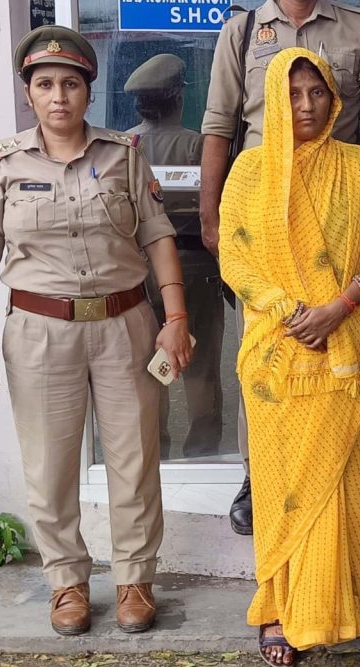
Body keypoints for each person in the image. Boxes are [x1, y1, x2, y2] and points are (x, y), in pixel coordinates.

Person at [0, 26, 194, 635]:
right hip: (40, 330)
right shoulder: (3, 164)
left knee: (134, 457)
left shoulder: (124, 154)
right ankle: (66, 583)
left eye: (70, 83)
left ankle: (135, 580)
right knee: (50, 464)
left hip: (124, 324)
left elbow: (158, 237)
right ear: (29, 94)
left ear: (88, 91)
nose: (58, 96)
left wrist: (175, 318)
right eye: (45, 84)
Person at [200, 0, 360, 534]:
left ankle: (352, 471)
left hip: (339, 209)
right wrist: (211, 218)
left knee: (346, 342)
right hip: (264, 218)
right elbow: (218, 127)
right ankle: (258, 474)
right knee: (268, 345)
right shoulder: (241, 33)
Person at [218, 47, 360, 666]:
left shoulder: (358, 165)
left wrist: (338, 309)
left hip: (347, 349)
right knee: (284, 488)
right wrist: (290, 310)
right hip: (279, 357)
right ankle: (277, 609)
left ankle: (349, 601)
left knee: (348, 481)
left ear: (334, 98)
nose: (306, 105)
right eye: (292, 94)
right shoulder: (250, 170)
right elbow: (234, 256)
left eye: (317, 92)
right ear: (273, 100)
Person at [125, 53, 223, 459]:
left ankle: (156, 454)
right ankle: (202, 452)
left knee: (149, 365)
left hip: (139, 268)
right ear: (178, 99)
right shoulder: (197, 145)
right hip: (194, 265)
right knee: (200, 366)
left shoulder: (126, 147)